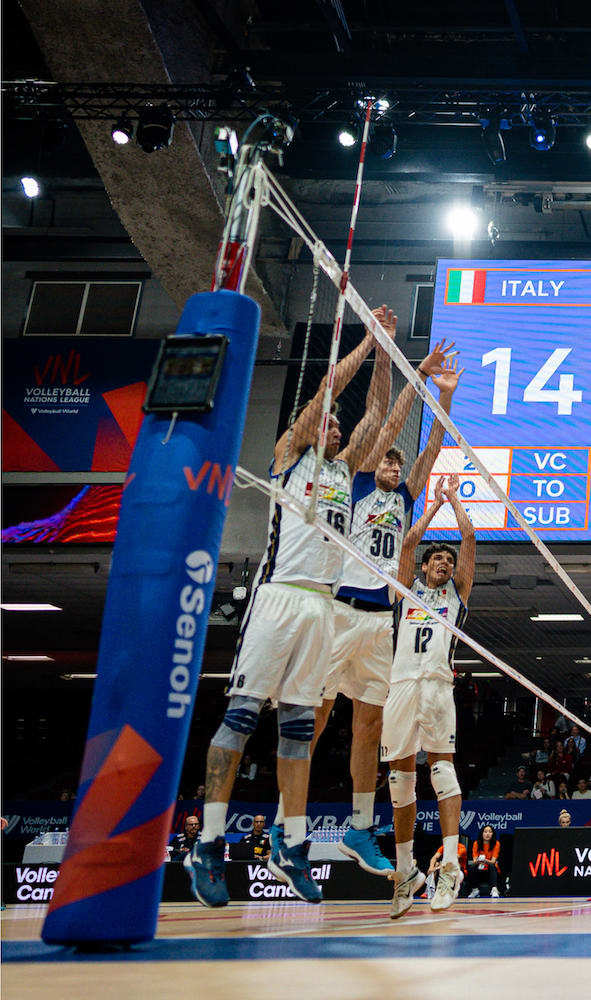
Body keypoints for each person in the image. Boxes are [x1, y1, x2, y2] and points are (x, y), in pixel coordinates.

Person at [185, 314, 389, 908]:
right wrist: (366, 343)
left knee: (300, 730)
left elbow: (375, 418)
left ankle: (292, 845)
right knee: (244, 716)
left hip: (323, 608)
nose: (335, 423)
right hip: (279, 597)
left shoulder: (346, 471)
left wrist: (388, 359)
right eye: (326, 421)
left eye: (336, 425)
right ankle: (210, 842)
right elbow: (325, 394)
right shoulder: (288, 456)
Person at [307, 342, 458, 877]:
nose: (394, 465)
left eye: (397, 462)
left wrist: (445, 400)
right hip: (340, 609)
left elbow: (432, 448)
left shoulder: (406, 497)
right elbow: (387, 424)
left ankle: (358, 826)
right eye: (389, 461)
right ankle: (288, 823)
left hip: (379, 621)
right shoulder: (359, 482)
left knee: (369, 726)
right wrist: (414, 374)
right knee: (317, 715)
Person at [385, 474, 476, 918]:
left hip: (438, 686)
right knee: (400, 780)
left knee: (442, 772)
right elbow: (407, 543)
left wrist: (454, 499)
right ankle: (406, 873)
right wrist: (433, 508)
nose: (442, 562)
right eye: (436, 558)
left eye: (447, 559)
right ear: (424, 568)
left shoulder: (455, 595)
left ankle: (451, 865)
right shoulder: (407, 590)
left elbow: (471, 537)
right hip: (401, 685)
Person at [467, 825, 502, 897]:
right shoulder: (476, 843)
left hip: (491, 869)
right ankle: (475, 890)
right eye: (485, 832)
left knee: (492, 866)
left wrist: (484, 860)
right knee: (473, 867)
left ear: (493, 834)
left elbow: (493, 861)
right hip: (479, 868)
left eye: (490, 832)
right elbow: (474, 860)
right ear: (482, 833)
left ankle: (494, 889)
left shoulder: (496, 843)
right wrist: (480, 860)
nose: (487, 834)